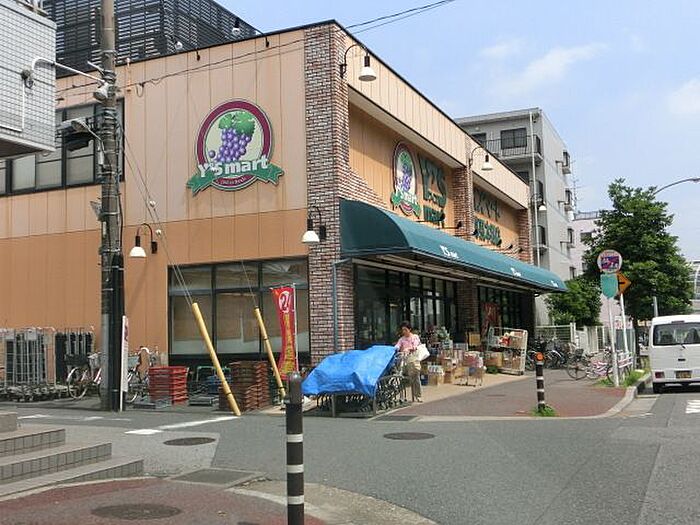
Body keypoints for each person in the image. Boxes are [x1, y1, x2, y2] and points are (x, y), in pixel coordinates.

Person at [395, 321, 423, 402]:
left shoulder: (414, 337)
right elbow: (397, 346)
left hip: (412, 358)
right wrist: (395, 349)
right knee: (399, 375)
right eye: (402, 330)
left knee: (415, 376)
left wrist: (409, 349)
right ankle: (400, 395)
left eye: (405, 329)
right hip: (404, 359)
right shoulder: (401, 339)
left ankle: (418, 395)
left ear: (409, 329)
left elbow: (415, 346)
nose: (404, 331)